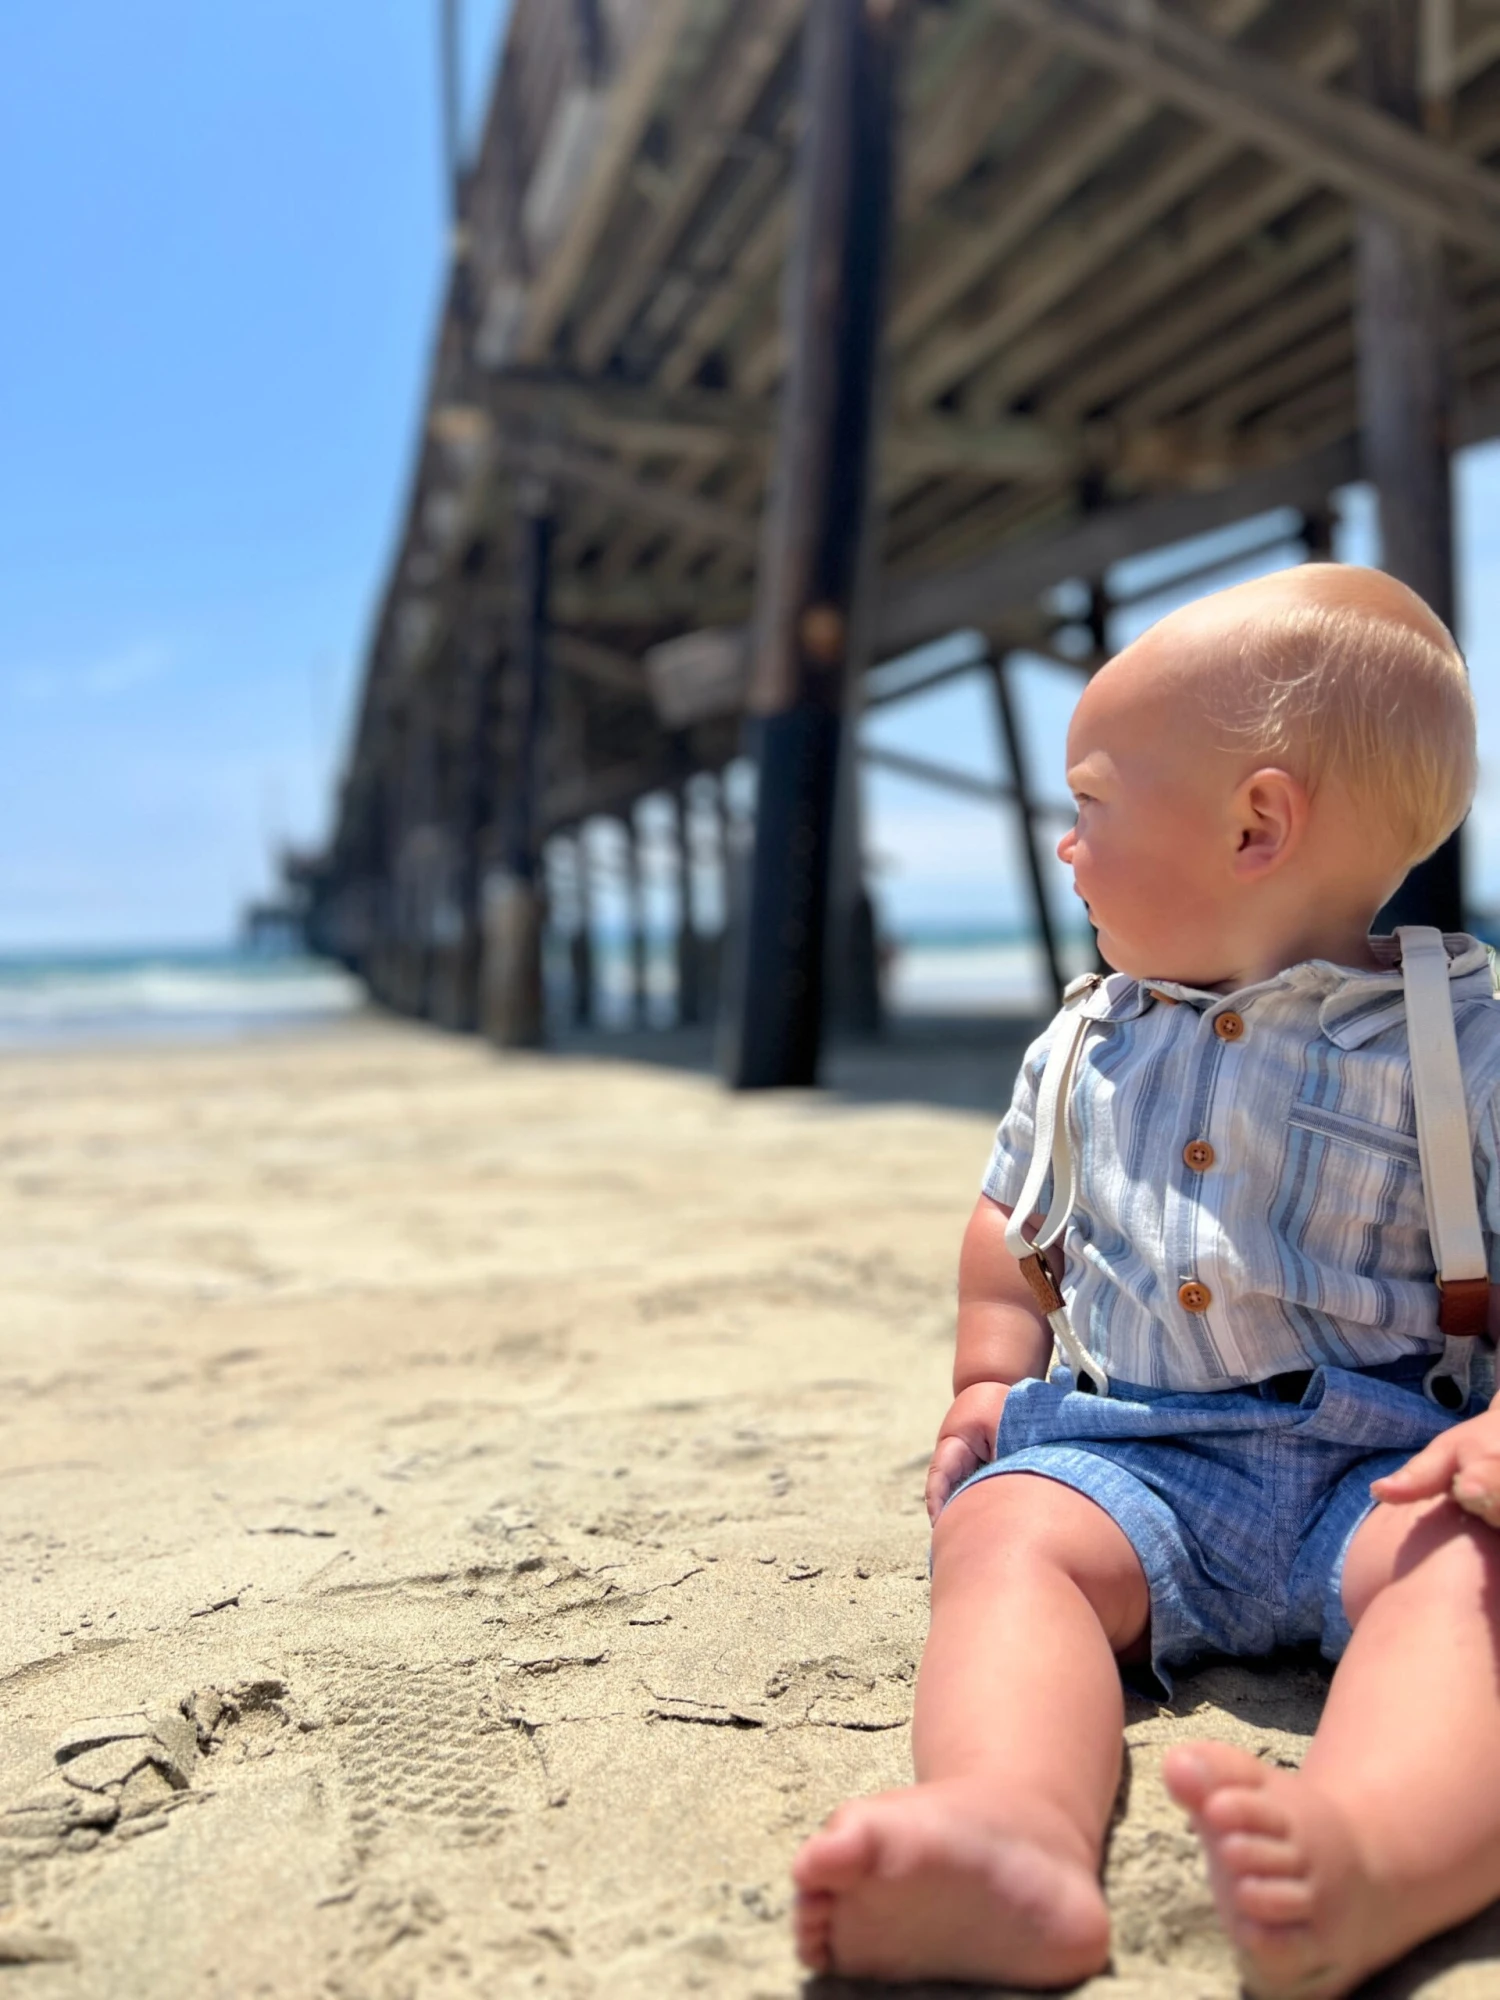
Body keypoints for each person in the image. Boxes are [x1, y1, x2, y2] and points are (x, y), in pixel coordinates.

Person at [793, 564, 1500, 1998]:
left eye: (1091, 806)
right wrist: (991, 1378)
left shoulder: (1462, 1041)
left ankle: (1377, 1849)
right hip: (1140, 1455)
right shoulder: (1083, 1041)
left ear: (1256, 824)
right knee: (1004, 1543)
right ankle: (1013, 1824)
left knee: (1475, 1580)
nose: (1063, 846)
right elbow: (1013, 1228)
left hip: (1395, 1464)